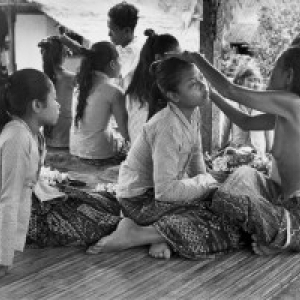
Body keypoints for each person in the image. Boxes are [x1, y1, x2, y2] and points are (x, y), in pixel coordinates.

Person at [87, 57, 244, 259]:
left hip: (159, 195)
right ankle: (137, 233)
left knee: (221, 203)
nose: (203, 86)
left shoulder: (192, 113)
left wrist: (207, 186)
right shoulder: (167, 126)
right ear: (173, 95)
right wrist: (206, 184)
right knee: (218, 223)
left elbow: (196, 159)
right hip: (140, 200)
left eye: (201, 78)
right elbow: (165, 192)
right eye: (193, 84)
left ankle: (154, 235)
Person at [182, 46, 300, 255]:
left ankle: (286, 235)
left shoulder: (294, 104)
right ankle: (276, 233)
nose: (267, 78)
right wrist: (210, 96)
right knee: (244, 174)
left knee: (227, 200)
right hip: (278, 198)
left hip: (295, 211)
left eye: (273, 71)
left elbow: (230, 90)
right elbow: (244, 121)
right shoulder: (285, 114)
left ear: (289, 76)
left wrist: (196, 59)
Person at [0, 69, 60, 277]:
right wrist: (3, 257)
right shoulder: (17, 137)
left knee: (100, 203)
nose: (59, 105)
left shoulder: (31, 133)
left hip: (31, 206)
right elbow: (8, 198)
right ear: (36, 105)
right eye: (54, 98)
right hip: (22, 216)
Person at [69, 41, 129, 165]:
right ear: (113, 64)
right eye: (120, 61)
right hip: (100, 154)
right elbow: (126, 132)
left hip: (75, 149)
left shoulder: (80, 86)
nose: (121, 64)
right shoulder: (113, 91)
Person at [125, 28, 181, 143]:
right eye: (177, 57)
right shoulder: (165, 82)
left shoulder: (131, 77)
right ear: (159, 58)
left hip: (135, 148)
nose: (180, 62)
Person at [220, 63, 273, 154]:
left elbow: (269, 138)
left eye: (258, 81)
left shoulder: (265, 107)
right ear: (240, 82)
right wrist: (222, 150)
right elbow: (224, 134)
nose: (255, 84)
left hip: (259, 156)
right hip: (237, 155)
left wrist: (268, 155)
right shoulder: (232, 105)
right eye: (251, 80)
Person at [38, 36, 76, 148]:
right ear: (63, 55)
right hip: (66, 137)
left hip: (47, 138)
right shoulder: (72, 78)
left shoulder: (40, 78)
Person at [107, 1, 140, 89]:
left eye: (112, 31)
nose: (109, 34)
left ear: (126, 31)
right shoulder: (121, 45)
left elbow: (115, 74)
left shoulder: (132, 51)